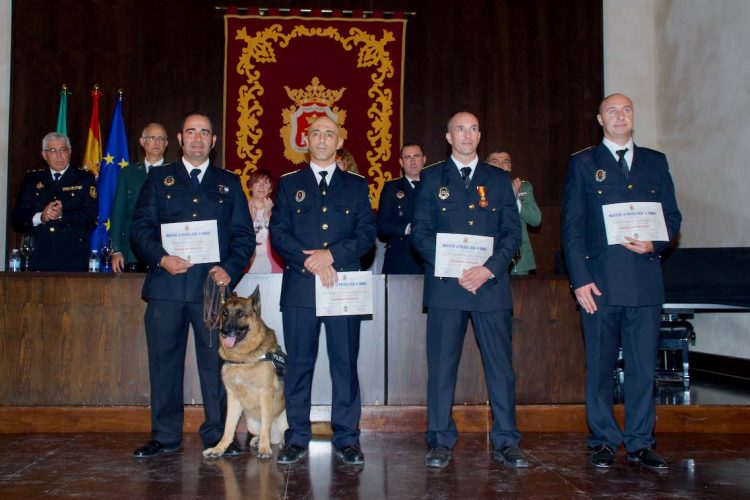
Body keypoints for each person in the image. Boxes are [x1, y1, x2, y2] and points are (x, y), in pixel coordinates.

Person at [562, 93, 682, 470]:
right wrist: (579, 280)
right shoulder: (583, 164)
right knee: (598, 366)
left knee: (643, 367)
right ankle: (602, 439)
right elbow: (572, 228)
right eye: (612, 110)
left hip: (645, 283)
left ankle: (640, 441)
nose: (620, 116)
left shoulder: (655, 162)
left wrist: (656, 241)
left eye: (626, 110)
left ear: (633, 117)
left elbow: (672, 216)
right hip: (599, 285)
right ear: (600, 119)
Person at [130, 112, 255, 457]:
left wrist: (230, 268)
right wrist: (161, 257)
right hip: (166, 287)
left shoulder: (229, 183)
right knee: (164, 362)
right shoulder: (159, 180)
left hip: (211, 291)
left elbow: (244, 236)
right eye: (191, 132)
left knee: (215, 364)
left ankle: (218, 434)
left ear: (213, 142)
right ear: (180, 139)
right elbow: (140, 228)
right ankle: (165, 435)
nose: (198, 138)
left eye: (205, 133)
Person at [412, 112, 526, 469]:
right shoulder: (431, 178)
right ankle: (440, 439)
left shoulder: (498, 179)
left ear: (480, 135)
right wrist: (454, 266)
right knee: (442, 367)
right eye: (460, 129)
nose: (467, 134)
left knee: (500, 367)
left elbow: (512, 234)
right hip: (447, 287)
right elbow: (421, 233)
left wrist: (488, 269)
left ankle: (507, 440)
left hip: (490, 287)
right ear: (448, 137)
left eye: (474, 128)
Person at [269, 115, 376, 466]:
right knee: (299, 364)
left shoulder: (357, 185)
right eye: (316, 133)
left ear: (339, 141)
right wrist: (310, 262)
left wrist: (331, 255)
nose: (322, 139)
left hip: (343, 287)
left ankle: (347, 437)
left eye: (329, 134)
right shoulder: (288, 184)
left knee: (344, 364)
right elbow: (279, 233)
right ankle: (297, 436)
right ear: (306, 139)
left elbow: (364, 236)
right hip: (301, 287)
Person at [11, 132, 98, 271]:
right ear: (44, 155)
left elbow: (90, 217)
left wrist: (62, 215)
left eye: (63, 150)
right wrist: (41, 217)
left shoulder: (84, 178)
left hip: (73, 257)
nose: (59, 155)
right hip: (37, 257)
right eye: (53, 151)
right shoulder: (32, 179)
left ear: (69, 152)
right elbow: (17, 219)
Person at [111, 123, 168, 273]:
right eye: (152, 138)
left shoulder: (174, 174)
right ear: (142, 142)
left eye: (161, 138)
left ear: (166, 144)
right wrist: (116, 250)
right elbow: (118, 214)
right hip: (132, 250)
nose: (156, 142)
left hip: (166, 250)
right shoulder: (128, 173)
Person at [487, 149, 541, 275]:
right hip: (490, 258)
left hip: (519, 261)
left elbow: (536, 220)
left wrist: (515, 199)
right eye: (495, 161)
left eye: (505, 162)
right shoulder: (481, 190)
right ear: (487, 166)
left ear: (510, 166)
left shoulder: (524, 187)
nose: (501, 165)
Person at [378, 143, 426, 274]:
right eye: (407, 157)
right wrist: (407, 228)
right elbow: (382, 226)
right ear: (401, 162)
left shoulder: (435, 187)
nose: (412, 161)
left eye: (416, 156)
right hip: (401, 258)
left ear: (424, 160)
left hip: (429, 258)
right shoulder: (391, 188)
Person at [246, 168, 282, 273]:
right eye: (257, 182)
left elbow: (283, 239)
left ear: (270, 189)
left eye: (266, 183)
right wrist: (249, 221)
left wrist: (269, 216)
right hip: (248, 263)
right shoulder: (241, 210)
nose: (261, 186)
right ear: (250, 186)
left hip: (273, 264)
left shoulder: (279, 211)